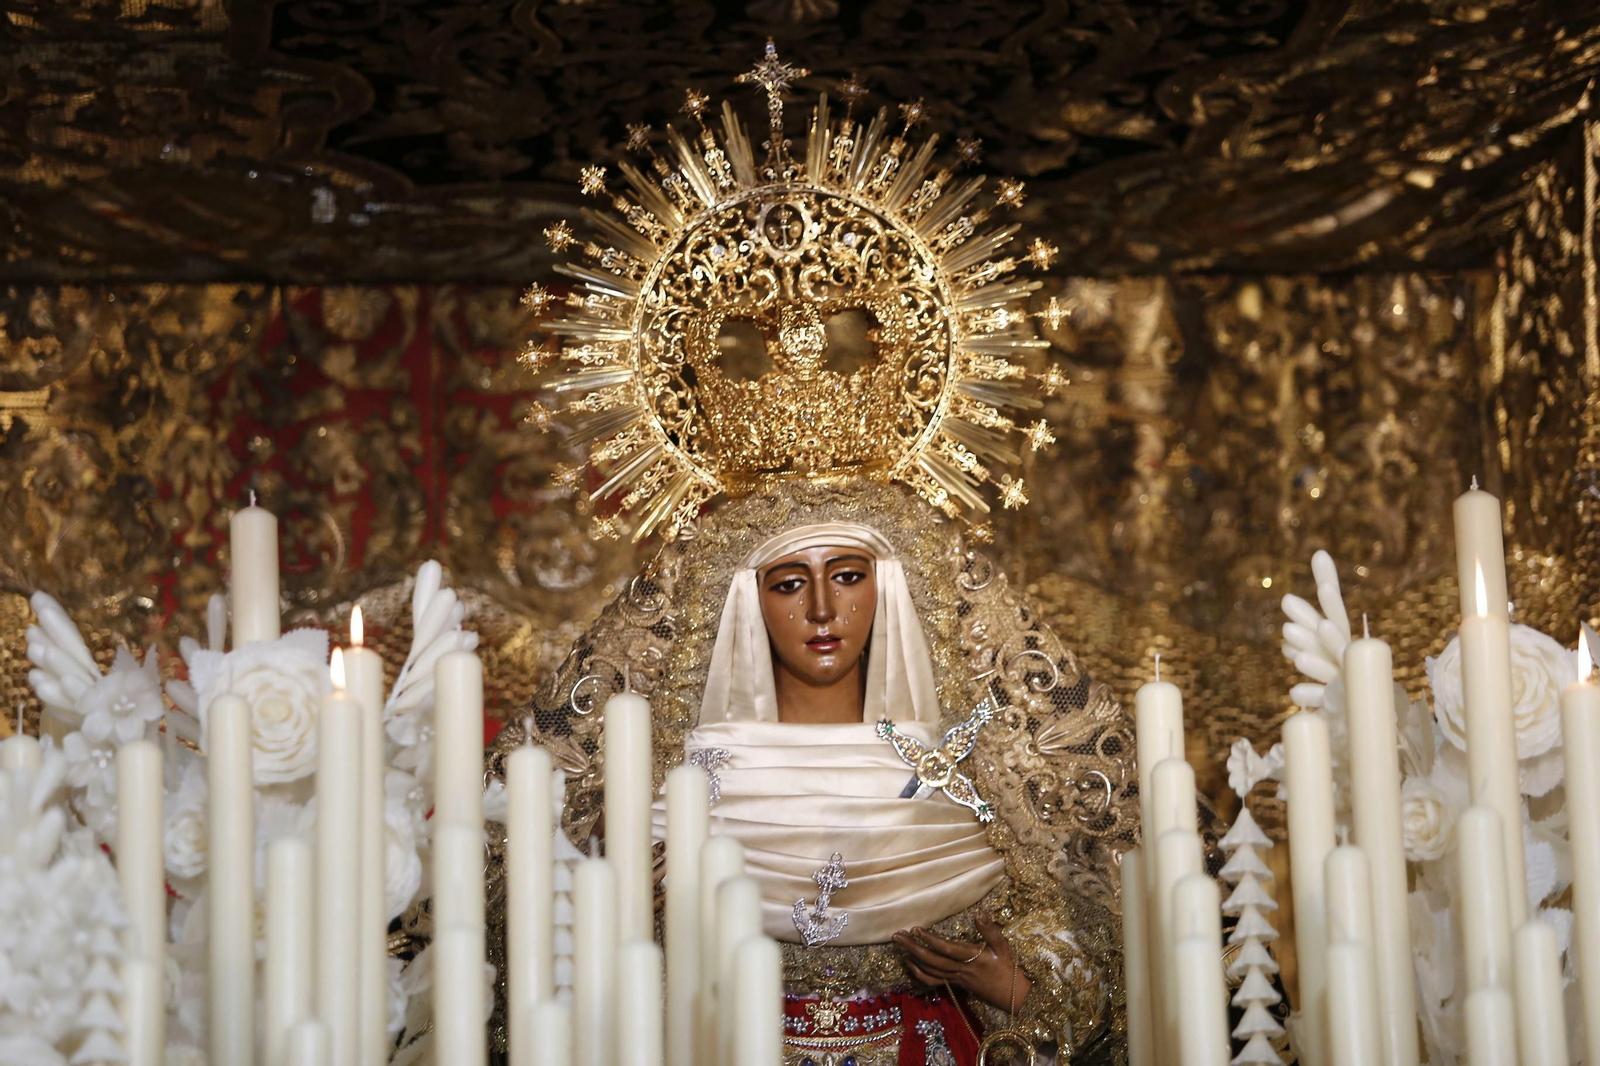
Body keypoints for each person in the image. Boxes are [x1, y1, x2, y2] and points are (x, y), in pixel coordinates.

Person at [483, 42, 1141, 1064]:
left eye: (850, 576)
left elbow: (1084, 951)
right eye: (789, 583)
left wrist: (998, 977)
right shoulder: (676, 786)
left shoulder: (968, 773)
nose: (823, 611)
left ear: (896, 590)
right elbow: (561, 948)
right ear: (745, 605)